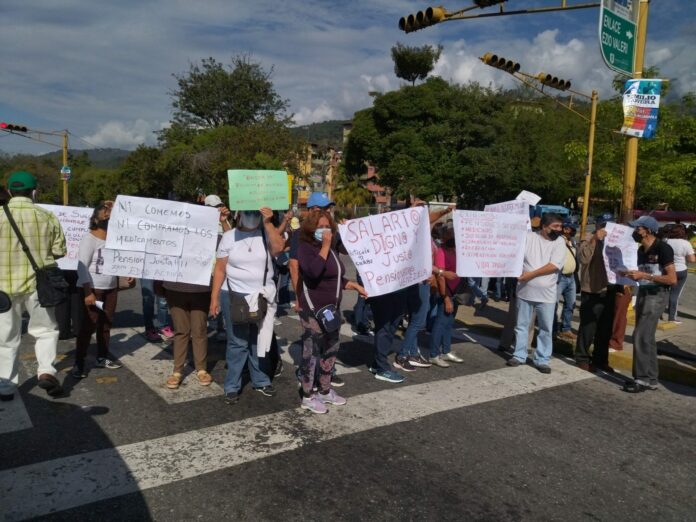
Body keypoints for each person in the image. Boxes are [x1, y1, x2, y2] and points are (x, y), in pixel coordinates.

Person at [0, 171, 67, 400]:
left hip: (3, 288)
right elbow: (59, 251)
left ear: (9, 192)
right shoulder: (46, 216)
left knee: (6, 337)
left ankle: (6, 386)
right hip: (40, 286)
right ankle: (46, 371)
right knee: (46, 330)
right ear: (34, 192)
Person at [210, 208, 285, 404]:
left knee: (259, 339)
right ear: (239, 214)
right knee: (237, 341)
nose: (251, 216)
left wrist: (268, 223)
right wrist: (214, 298)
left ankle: (261, 379)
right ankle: (232, 385)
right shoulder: (228, 237)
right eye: (248, 212)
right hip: (234, 295)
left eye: (255, 213)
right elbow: (220, 269)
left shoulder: (266, 233)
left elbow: (278, 249)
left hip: (262, 295)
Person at [296, 210, 366, 413]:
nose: (325, 231)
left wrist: (353, 285)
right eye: (320, 227)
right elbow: (314, 271)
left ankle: (325, 390)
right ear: (311, 229)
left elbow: (336, 278)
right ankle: (308, 394)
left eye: (327, 226)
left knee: (331, 349)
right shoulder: (305, 248)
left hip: (331, 310)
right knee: (312, 352)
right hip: (313, 309)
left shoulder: (333, 249)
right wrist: (326, 245)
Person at [73, 202, 128, 378]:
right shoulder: (89, 239)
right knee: (88, 326)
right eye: (104, 214)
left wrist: (127, 273)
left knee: (106, 324)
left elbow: (119, 260)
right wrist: (88, 292)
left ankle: (102, 357)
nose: (107, 216)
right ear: (95, 219)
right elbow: (82, 267)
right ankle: (79, 363)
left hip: (111, 288)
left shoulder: (114, 238)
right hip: (93, 288)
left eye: (110, 214)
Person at [622, 216, 676, 393]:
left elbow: (672, 279)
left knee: (640, 335)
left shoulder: (663, 248)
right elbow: (640, 273)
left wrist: (645, 276)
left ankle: (642, 379)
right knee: (647, 337)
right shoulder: (640, 251)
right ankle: (651, 378)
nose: (635, 232)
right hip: (644, 293)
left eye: (638, 229)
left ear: (647, 230)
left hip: (657, 295)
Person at [507, 213, 566, 374]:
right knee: (521, 325)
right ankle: (519, 354)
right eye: (555, 226)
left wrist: (530, 275)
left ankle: (542, 359)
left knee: (546, 328)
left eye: (560, 226)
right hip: (524, 291)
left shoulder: (560, 242)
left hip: (547, 294)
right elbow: (514, 254)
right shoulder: (528, 237)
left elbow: (554, 265)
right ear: (544, 226)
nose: (559, 230)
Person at [574, 223, 615, 373]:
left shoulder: (614, 241)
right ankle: (582, 357)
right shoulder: (587, 238)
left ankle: (600, 359)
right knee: (588, 327)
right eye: (603, 226)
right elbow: (584, 259)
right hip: (592, 290)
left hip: (610, 289)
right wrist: (594, 240)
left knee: (605, 329)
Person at [163, 277, 213, 389]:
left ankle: (201, 369)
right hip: (174, 287)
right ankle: (177, 371)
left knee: (199, 330)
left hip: (201, 289)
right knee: (181, 331)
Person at [428, 223, 465, 367]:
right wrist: (446, 298)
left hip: (455, 292)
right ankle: (433, 354)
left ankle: (446, 350)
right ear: (445, 237)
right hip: (445, 293)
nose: (454, 237)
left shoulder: (455, 250)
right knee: (440, 323)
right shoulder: (441, 252)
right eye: (451, 234)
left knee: (449, 323)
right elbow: (441, 277)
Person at [662, 224, 695, 323]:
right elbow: (692, 259)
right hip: (681, 270)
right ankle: (672, 318)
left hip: (666, 269)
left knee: (664, 292)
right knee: (675, 294)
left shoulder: (666, 241)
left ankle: (659, 314)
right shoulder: (686, 243)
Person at [555, 221, 578, 340]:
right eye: (571, 229)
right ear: (565, 229)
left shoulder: (573, 241)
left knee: (571, 304)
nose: (573, 231)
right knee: (554, 304)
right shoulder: (558, 240)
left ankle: (566, 329)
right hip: (560, 277)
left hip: (571, 277)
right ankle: (553, 330)